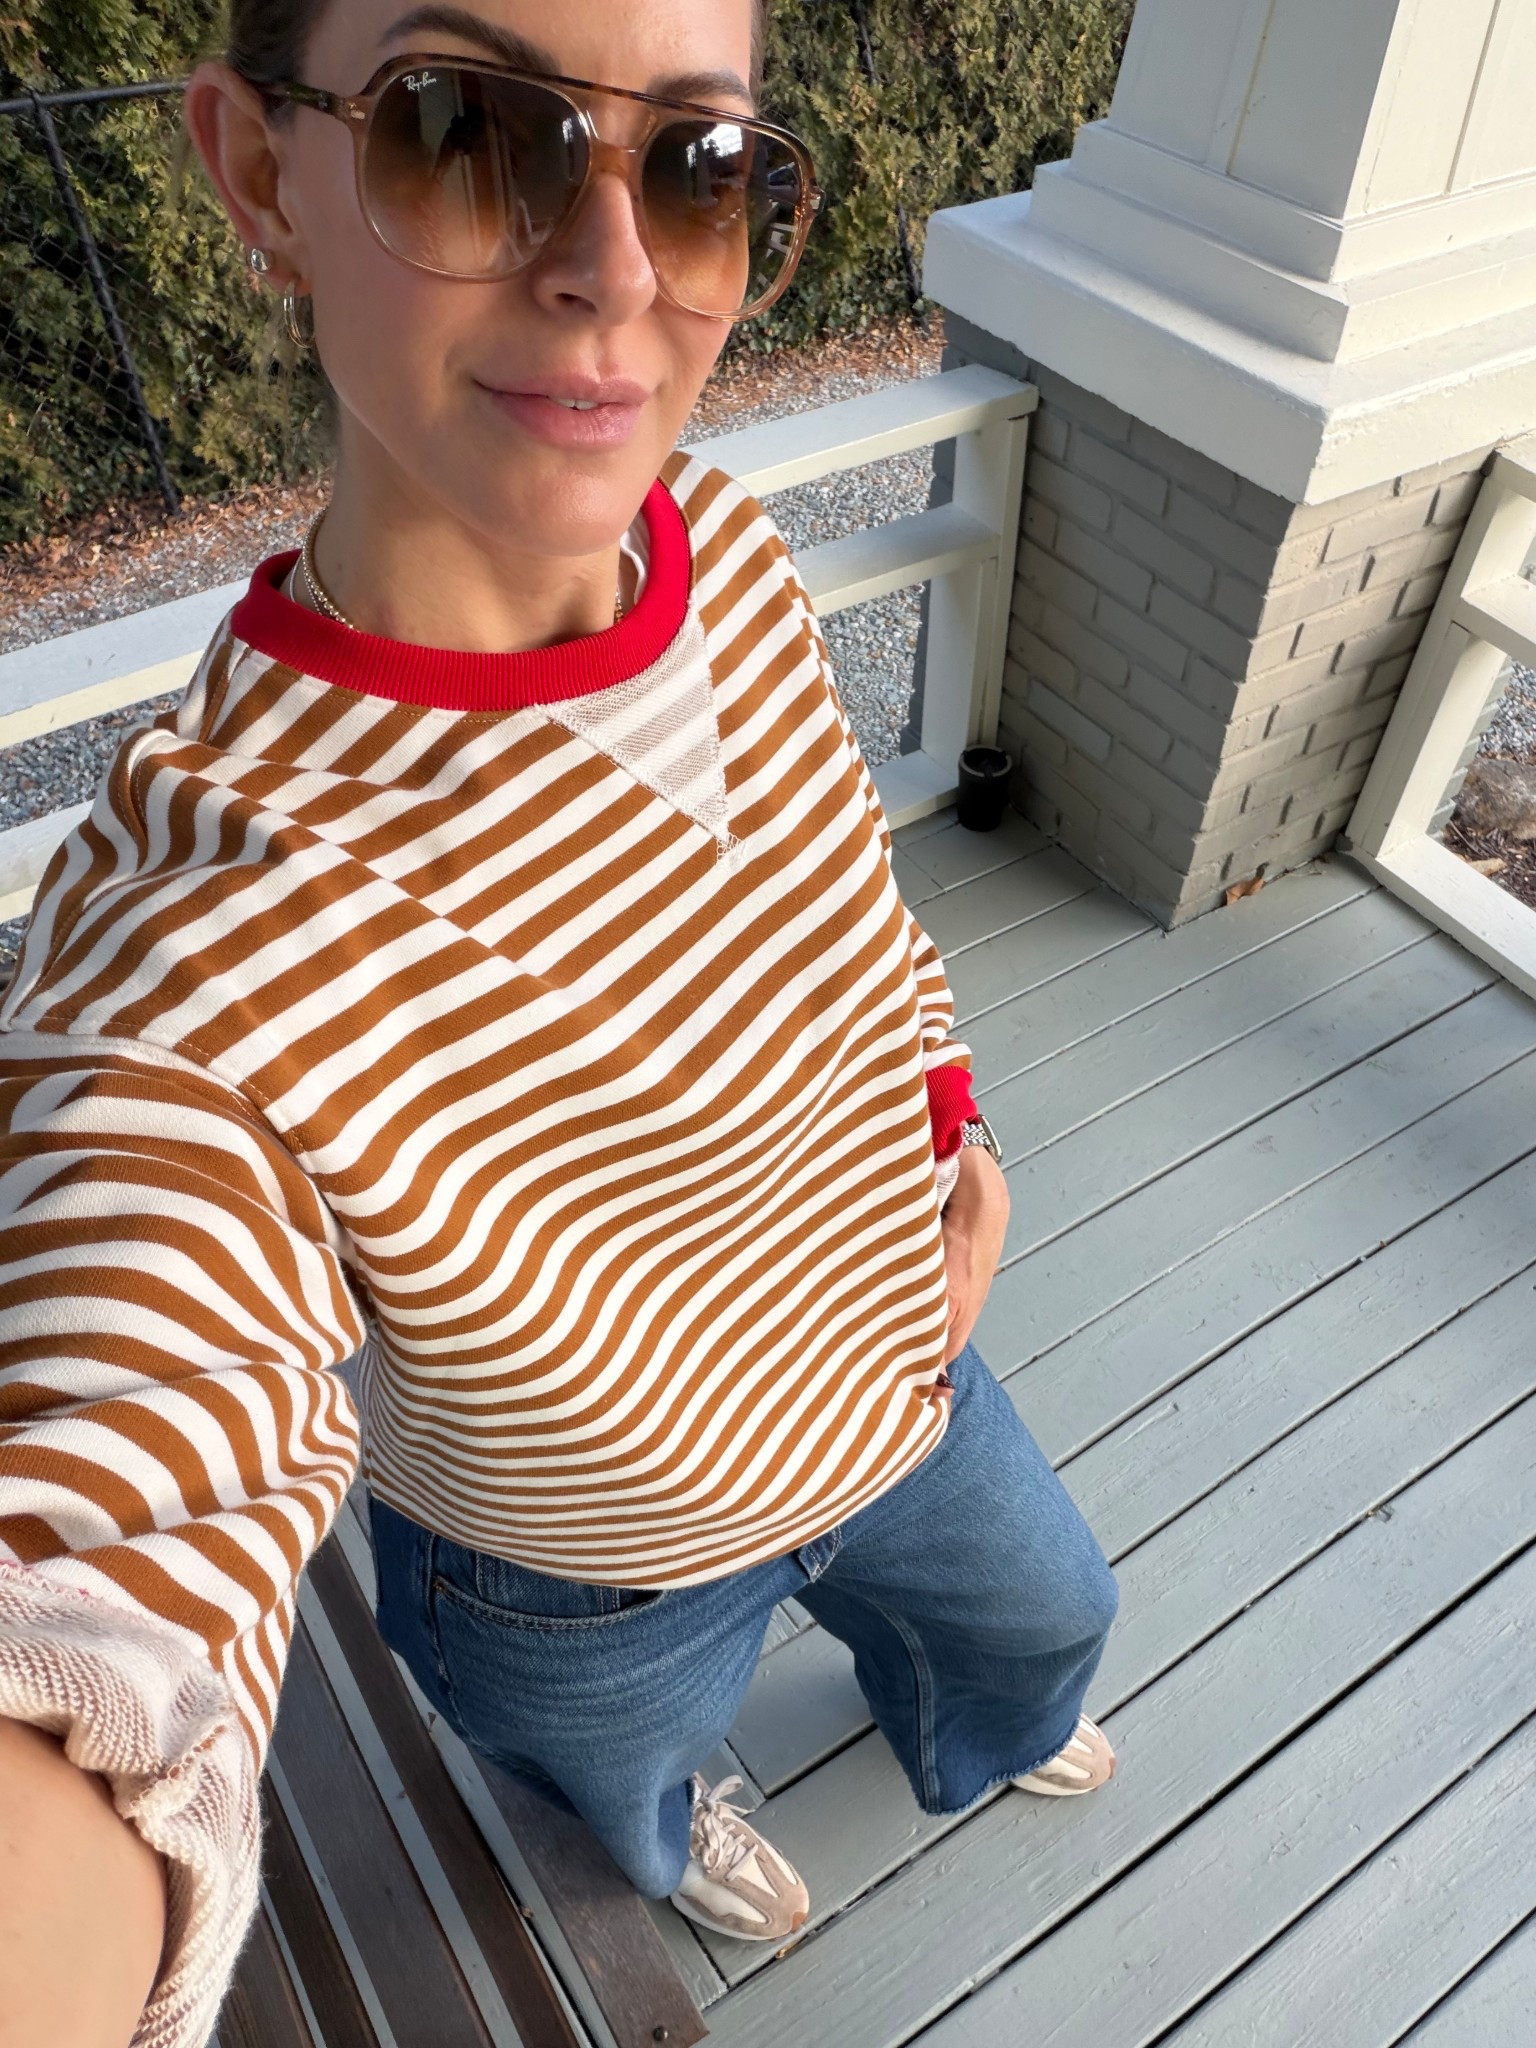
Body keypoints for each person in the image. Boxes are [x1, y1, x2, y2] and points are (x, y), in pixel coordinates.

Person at [0, 0, 1120, 2040]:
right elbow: (112, 1526)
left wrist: (948, 1113)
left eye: (700, 166)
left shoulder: (736, 560)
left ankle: (981, 1719)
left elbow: (854, 917)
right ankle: (676, 1816)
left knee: (1051, 1615)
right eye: (466, 130)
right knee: (628, 1791)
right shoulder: (194, 936)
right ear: (259, 172)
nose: (614, 266)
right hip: (576, 1578)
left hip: (899, 1388)